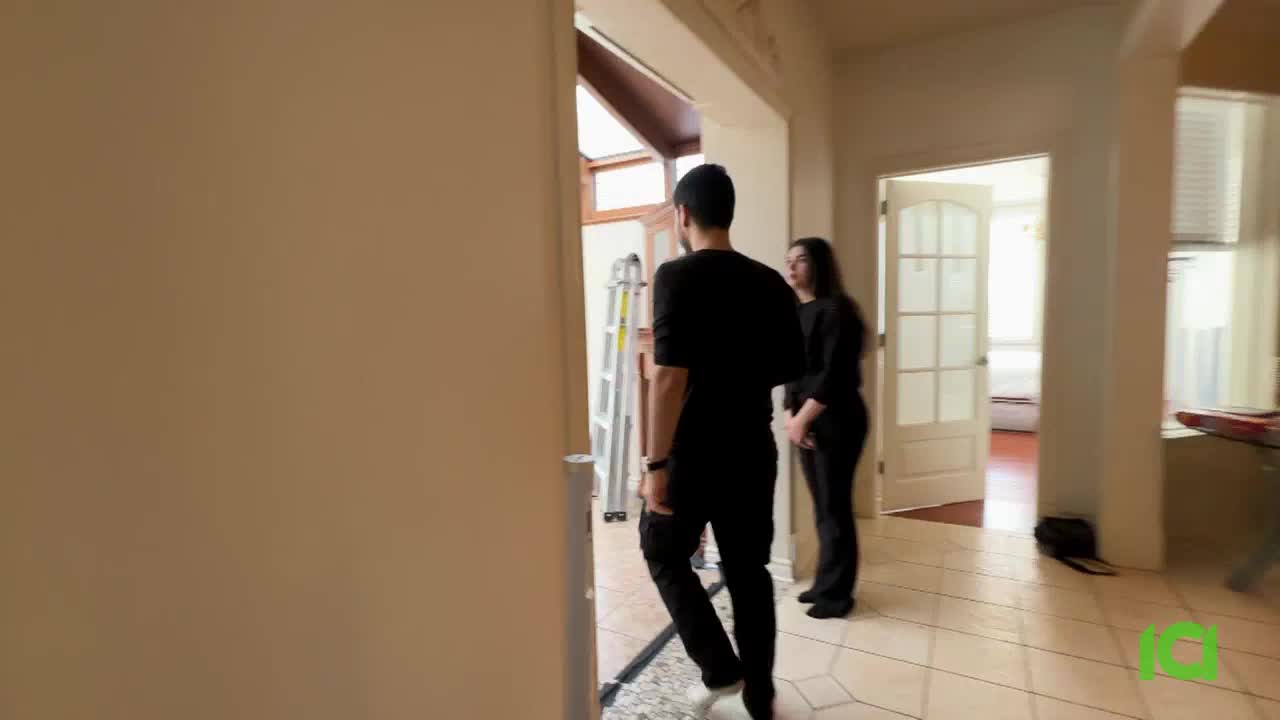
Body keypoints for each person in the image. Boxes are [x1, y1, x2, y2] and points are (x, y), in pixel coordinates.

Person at [640, 164, 804, 719]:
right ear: (728, 213)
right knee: (749, 573)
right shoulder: (772, 284)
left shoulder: (676, 276)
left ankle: (720, 668)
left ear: (683, 215)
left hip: (692, 455)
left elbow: (668, 377)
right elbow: (789, 367)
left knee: (661, 548)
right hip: (752, 451)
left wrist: (655, 464)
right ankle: (760, 695)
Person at [783, 237, 869, 620]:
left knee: (834, 508)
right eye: (789, 260)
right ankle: (824, 583)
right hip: (807, 421)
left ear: (819, 264)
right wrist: (791, 416)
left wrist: (802, 419)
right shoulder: (796, 312)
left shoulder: (838, 310)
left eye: (801, 259)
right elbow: (792, 371)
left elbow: (836, 375)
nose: (792, 267)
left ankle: (838, 596)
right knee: (822, 507)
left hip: (838, 421)